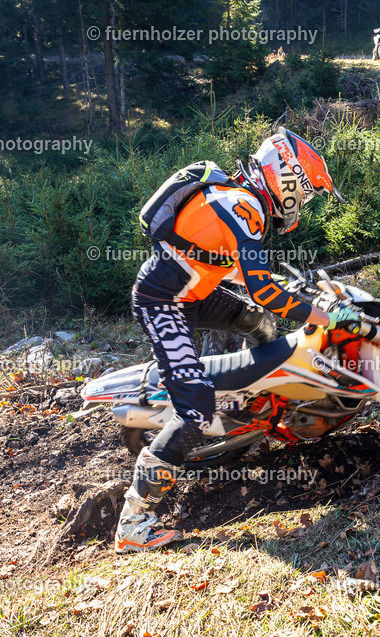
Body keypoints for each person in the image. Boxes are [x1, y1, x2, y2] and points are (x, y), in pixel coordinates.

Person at [116, 128, 359, 553]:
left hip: (193, 294)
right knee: (195, 409)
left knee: (260, 323)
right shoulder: (241, 204)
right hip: (163, 301)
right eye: (305, 192)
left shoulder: (239, 204)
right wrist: (326, 317)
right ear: (287, 181)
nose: (304, 203)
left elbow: (245, 277)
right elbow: (265, 288)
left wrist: (304, 297)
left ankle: (252, 400)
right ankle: (134, 523)